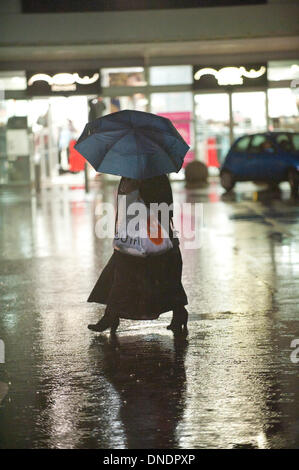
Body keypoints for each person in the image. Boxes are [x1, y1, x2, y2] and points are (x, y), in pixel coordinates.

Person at [87, 175, 188, 335]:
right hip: (139, 229)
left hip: (149, 230)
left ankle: (111, 315)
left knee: (131, 268)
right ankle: (111, 314)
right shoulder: (142, 168)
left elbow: (159, 205)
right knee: (129, 268)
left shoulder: (150, 173)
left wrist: (137, 189)